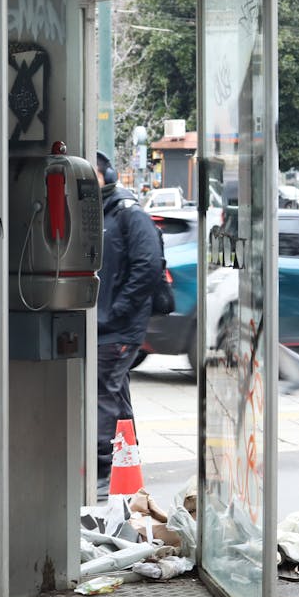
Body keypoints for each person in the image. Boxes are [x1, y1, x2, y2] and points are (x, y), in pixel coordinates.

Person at [94, 150, 162, 496]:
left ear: (106, 176)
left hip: (118, 327)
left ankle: (105, 471)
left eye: (92, 173)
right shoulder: (98, 212)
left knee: (103, 391)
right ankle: (126, 466)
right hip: (107, 325)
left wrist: (117, 312)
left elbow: (148, 265)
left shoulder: (127, 213)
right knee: (115, 396)